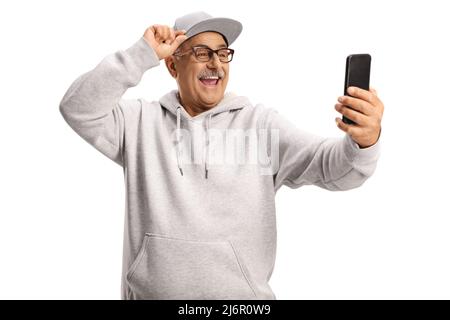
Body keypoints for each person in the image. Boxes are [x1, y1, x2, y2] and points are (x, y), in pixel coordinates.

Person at [59, 11, 384, 300]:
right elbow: (78, 108)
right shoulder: (139, 124)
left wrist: (364, 142)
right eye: (201, 53)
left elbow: (334, 168)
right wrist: (140, 55)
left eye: (223, 53)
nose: (215, 63)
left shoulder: (260, 126)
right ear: (172, 64)